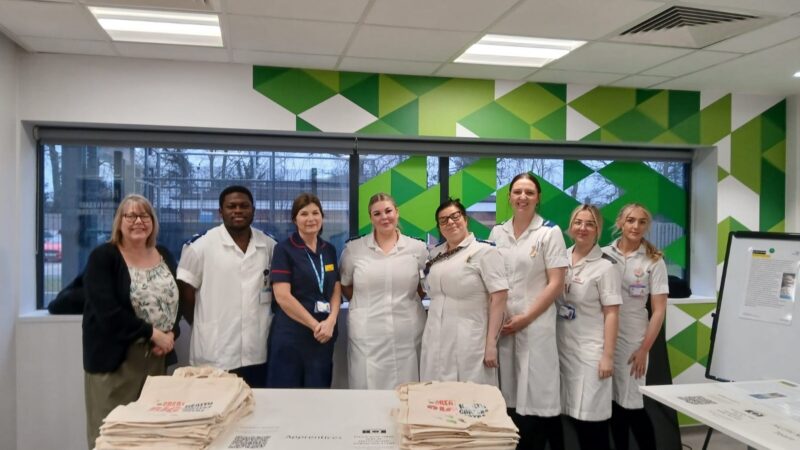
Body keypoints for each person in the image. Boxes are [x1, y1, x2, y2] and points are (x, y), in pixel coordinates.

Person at [82, 194, 180, 449]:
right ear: (119, 222)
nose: (138, 221)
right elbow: (107, 312)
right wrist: (152, 333)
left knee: (149, 434)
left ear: (153, 221)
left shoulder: (164, 254)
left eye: (144, 215)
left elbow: (172, 300)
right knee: (112, 433)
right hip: (116, 361)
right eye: (131, 215)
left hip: (156, 358)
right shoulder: (103, 257)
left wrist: (170, 335)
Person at [488, 172, 568, 450]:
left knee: (534, 394)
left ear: (538, 198)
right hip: (503, 325)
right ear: (509, 196)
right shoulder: (498, 232)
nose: (523, 197)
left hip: (535, 325)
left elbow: (556, 283)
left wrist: (527, 317)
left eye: (529, 192)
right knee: (507, 393)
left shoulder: (549, 232)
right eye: (518, 192)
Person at [177, 185, 276, 388]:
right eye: (231, 206)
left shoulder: (268, 245)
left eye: (244, 206)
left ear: (253, 210)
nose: (238, 211)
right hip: (215, 353)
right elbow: (185, 294)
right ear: (220, 211)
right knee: (216, 415)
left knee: (257, 411)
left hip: (257, 351)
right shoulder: (200, 246)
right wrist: (203, 324)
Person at [340, 193, 428, 389]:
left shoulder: (417, 248)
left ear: (397, 213)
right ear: (371, 218)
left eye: (388, 211)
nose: (384, 217)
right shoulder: (354, 249)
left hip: (407, 331)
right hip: (367, 334)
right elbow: (345, 285)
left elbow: (422, 287)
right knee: (367, 386)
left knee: (409, 388)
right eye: (377, 213)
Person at [420, 198, 508, 385]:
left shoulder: (484, 252)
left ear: (465, 219)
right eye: (443, 220)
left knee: (470, 400)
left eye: (455, 216)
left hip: (469, 339)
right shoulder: (435, 255)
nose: (450, 222)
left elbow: (499, 298)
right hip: (435, 337)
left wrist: (491, 343)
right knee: (435, 397)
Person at [603, 203, 669, 449]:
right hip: (604, 339)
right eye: (630, 220)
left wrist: (644, 350)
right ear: (620, 222)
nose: (635, 226)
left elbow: (659, 309)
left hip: (633, 341)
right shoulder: (603, 254)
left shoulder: (654, 261)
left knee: (631, 405)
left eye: (642, 222)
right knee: (611, 405)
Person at [557, 204, 621, 450]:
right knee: (568, 417)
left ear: (598, 230)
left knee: (591, 422)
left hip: (591, 353)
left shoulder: (606, 266)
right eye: (578, 222)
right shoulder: (560, 257)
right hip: (562, 348)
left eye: (590, 223)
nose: (582, 228)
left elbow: (612, 313)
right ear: (570, 227)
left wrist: (607, 356)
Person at [267, 193, 341, 388]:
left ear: (322, 217)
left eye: (316, 213)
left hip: (323, 336)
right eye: (304, 213)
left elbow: (335, 288)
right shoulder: (284, 249)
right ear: (295, 219)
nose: (311, 219)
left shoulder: (329, 250)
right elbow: (283, 296)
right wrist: (315, 325)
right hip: (292, 335)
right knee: (288, 396)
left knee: (319, 393)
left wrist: (331, 321)